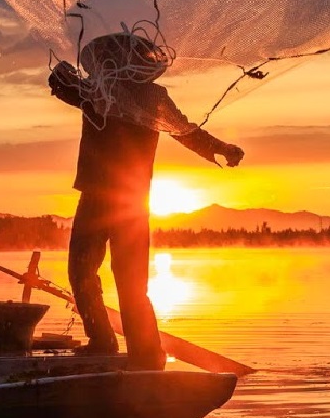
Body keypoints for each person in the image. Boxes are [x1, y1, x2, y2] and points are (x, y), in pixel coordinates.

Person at [49, 32, 243, 370]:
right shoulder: (98, 89)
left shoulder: (143, 97)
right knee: (86, 272)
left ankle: (143, 354)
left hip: (124, 200)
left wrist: (222, 148)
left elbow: (186, 132)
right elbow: (60, 83)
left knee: (123, 279)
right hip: (107, 197)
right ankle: (107, 343)